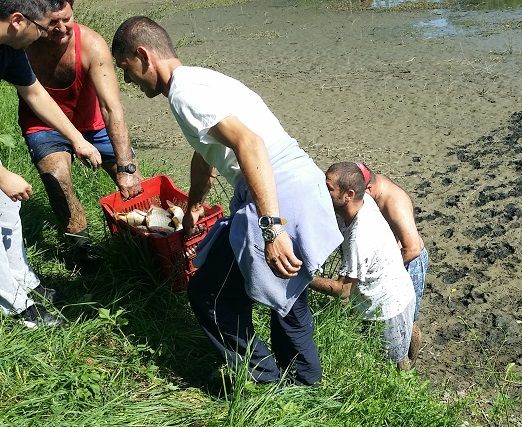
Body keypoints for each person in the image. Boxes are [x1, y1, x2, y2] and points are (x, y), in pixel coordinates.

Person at [111, 16, 342, 386]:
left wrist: (271, 228)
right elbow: (206, 153)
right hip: (302, 181)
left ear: (143, 55)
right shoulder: (200, 79)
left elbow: (250, 144)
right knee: (288, 291)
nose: (127, 80)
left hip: (277, 189)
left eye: (126, 68)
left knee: (210, 295)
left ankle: (265, 383)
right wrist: (194, 205)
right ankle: (304, 382)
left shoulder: (184, 94)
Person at [0, 0, 101, 328]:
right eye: (42, 28)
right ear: (18, 20)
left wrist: (77, 139)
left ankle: (24, 282)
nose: (46, 35)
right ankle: (17, 307)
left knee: (7, 207)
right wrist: (2, 175)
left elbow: (35, 94)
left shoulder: (10, 46)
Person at [19, 0, 142, 265]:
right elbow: (32, 95)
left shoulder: (91, 44)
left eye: (67, 19)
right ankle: (82, 248)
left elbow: (111, 107)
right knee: (57, 177)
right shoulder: (24, 44)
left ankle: (144, 241)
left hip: (94, 124)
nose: (62, 28)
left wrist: (126, 166)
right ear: (36, 19)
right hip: (43, 123)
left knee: (134, 181)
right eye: (53, 22)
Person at [310, 162, 416, 370]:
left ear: (348, 195)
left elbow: (343, 290)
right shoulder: (363, 201)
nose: (322, 191)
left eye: (329, 188)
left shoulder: (360, 236)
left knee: (391, 366)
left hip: (386, 310)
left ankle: (407, 375)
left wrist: (304, 278)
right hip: (395, 291)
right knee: (406, 332)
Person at [355, 162, 426, 362]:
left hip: (409, 261)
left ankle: (410, 363)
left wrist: (388, 266)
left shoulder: (394, 202)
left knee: (408, 320)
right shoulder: (374, 189)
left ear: (369, 188)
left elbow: (412, 248)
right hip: (393, 257)